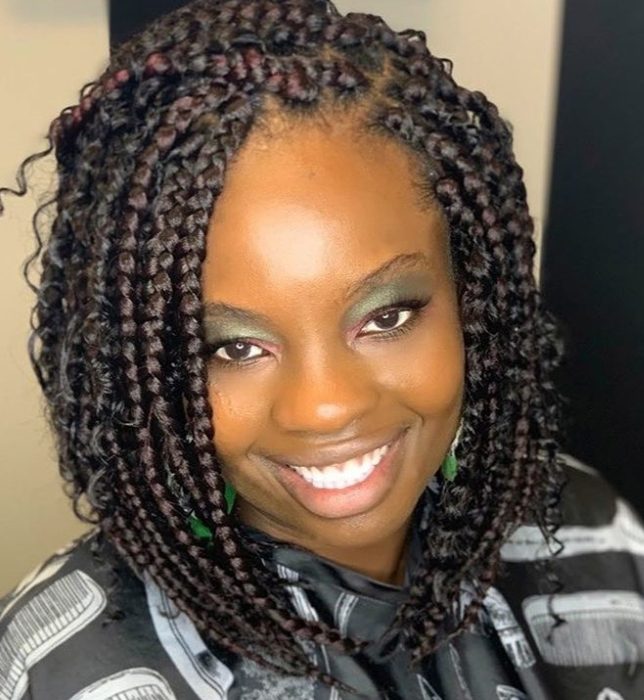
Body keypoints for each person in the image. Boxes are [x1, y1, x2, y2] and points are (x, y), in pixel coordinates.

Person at [1, 1, 642, 698]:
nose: (326, 406)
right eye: (235, 348)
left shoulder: (592, 534)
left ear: (473, 299)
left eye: (387, 317)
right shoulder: (67, 673)